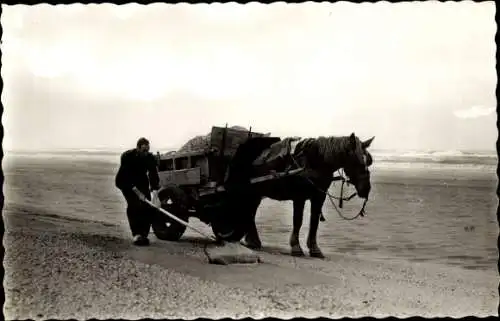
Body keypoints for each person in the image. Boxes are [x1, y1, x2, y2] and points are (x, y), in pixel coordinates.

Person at [115, 137, 162, 246]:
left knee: (148, 206)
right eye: (144, 150)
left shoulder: (149, 158)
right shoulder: (127, 156)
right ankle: (136, 235)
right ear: (138, 148)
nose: (146, 153)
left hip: (141, 181)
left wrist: (155, 195)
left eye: (148, 150)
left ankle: (144, 235)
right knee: (134, 206)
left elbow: (153, 175)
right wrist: (138, 193)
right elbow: (126, 176)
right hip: (125, 182)